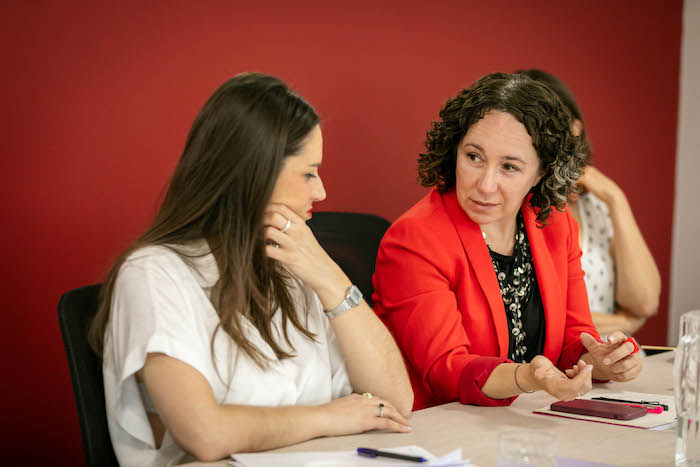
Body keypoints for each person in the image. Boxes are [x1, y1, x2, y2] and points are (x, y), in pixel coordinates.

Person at [88, 73, 413, 466]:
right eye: (309, 173)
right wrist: (328, 417)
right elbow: (205, 434)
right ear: (255, 174)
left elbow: (395, 400)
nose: (321, 192)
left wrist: (330, 279)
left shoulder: (292, 266)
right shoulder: (153, 275)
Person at [371, 72, 643, 410]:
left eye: (509, 167)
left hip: (525, 424)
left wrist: (598, 360)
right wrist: (526, 377)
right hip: (439, 429)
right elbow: (444, 370)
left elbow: (574, 337)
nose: (485, 184)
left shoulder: (556, 225)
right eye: (474, 157)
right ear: (454, 150)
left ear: (541, 172)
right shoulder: (415, 239)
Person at [516, 69, 660, 337]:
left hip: (613, 369)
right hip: (551, 370)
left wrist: (616, 199)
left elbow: (645, 301)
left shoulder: (595, 206)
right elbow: (529, 316)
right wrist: (624, 323)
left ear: (575, 130)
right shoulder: (511, 208)